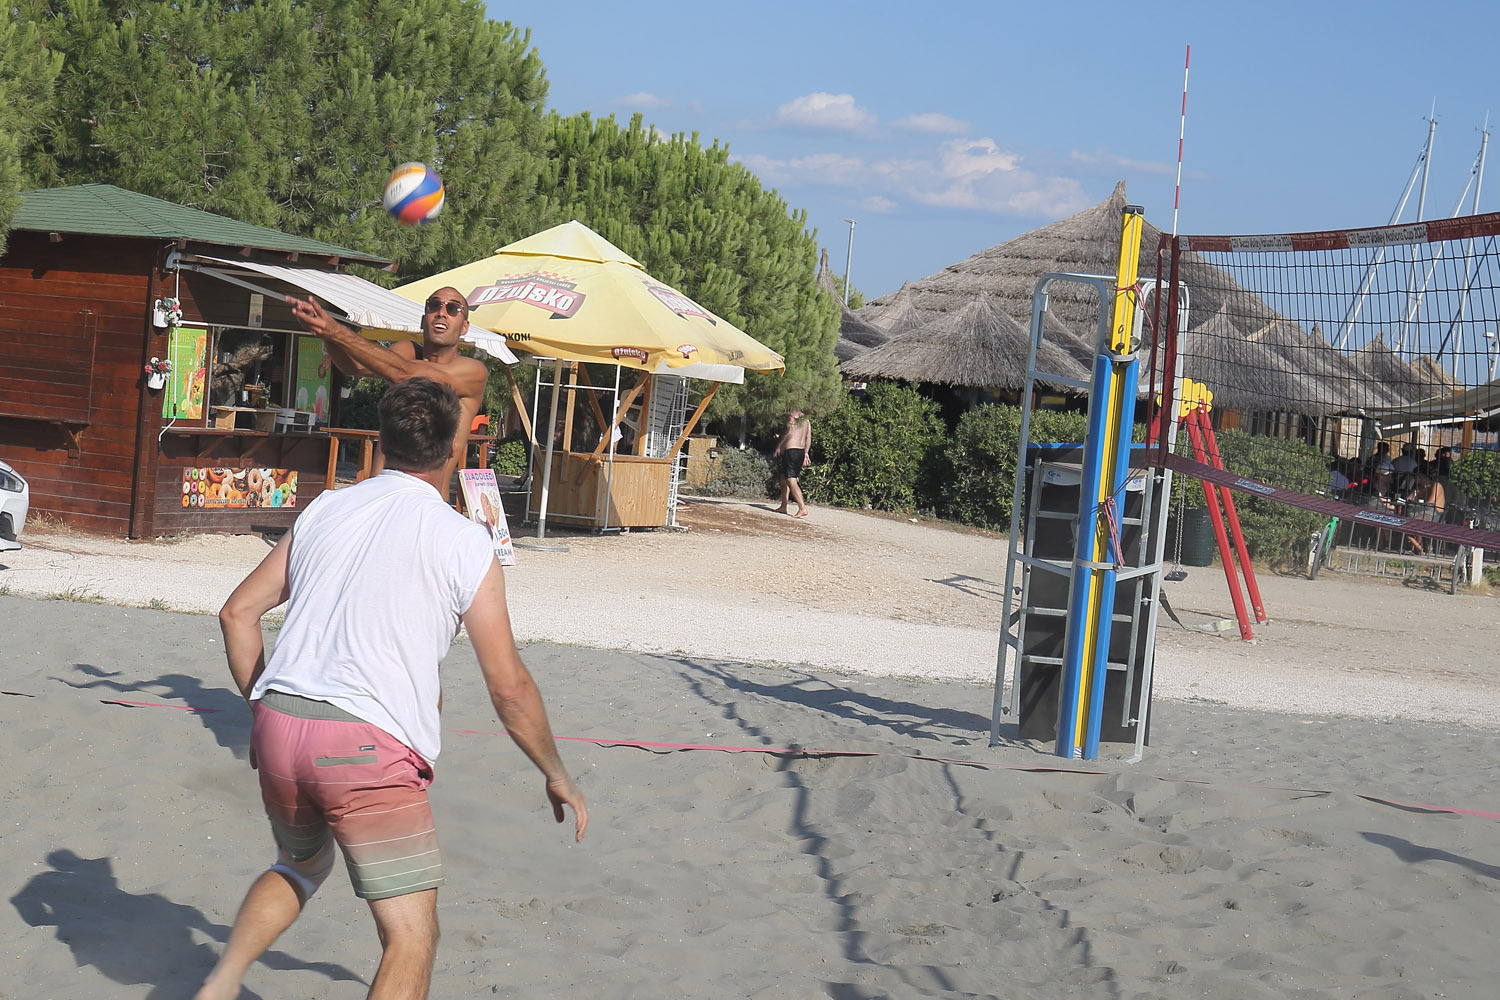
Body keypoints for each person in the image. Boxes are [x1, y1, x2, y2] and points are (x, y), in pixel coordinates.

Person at [196, 378, 587, 1000]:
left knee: (299, 864)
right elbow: (509, 687)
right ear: (453, 449)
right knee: (411, 935)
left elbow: (237, 614)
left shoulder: (327, 508)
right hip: (364, 745)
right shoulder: (464, 540)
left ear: (381, 442)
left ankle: (218, 985)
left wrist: (262, 710)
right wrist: (556, 771)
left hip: (280, 722)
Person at [289, 287, 488, 500]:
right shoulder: (407, 352)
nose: (441, 312)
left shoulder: (473, 371)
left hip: (424, 501)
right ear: (423, 320)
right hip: (378, 495)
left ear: (464, 327)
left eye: (453, 308)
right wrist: (327, 335)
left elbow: (404, 373)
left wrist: (336, 331)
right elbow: (354, 366)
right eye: (434, 305)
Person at [773, 407, 812, 517]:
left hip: (791, 451)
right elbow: (808, 437)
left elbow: (787, 433)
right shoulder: (806, 420)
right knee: (783, 476)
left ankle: (802, 508)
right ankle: (783, 505)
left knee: (791, 479)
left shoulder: (791, 416)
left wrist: (779, 446)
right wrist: (806, 452)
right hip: (800, 451)